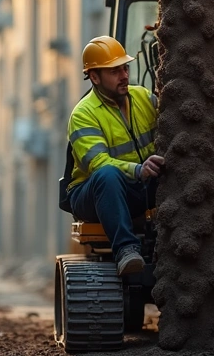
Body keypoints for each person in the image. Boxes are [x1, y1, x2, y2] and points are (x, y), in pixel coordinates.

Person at [63, 36, 165, 276]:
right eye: (114, 71)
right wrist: (139, 170)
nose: (124, 76)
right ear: (95, 77)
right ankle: (126, 250)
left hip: (137, 186)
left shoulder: (144, 98)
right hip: (91, 194)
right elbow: (98, 164)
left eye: (125, 68)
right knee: (107, 174)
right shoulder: (83, 114)